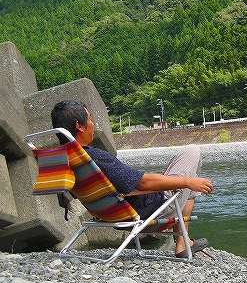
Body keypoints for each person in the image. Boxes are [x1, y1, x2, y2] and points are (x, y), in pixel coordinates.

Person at [50, 100, 213, 258]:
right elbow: (143, 183)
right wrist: (188, 182)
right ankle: (183, 242)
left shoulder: (65, 158)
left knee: (190, 178)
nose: (93, 124)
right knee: (192, 152)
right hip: (154, 209)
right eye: (90, 119)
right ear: (79, 126)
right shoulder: (94, 157)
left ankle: (183, 242)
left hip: (113, 215)